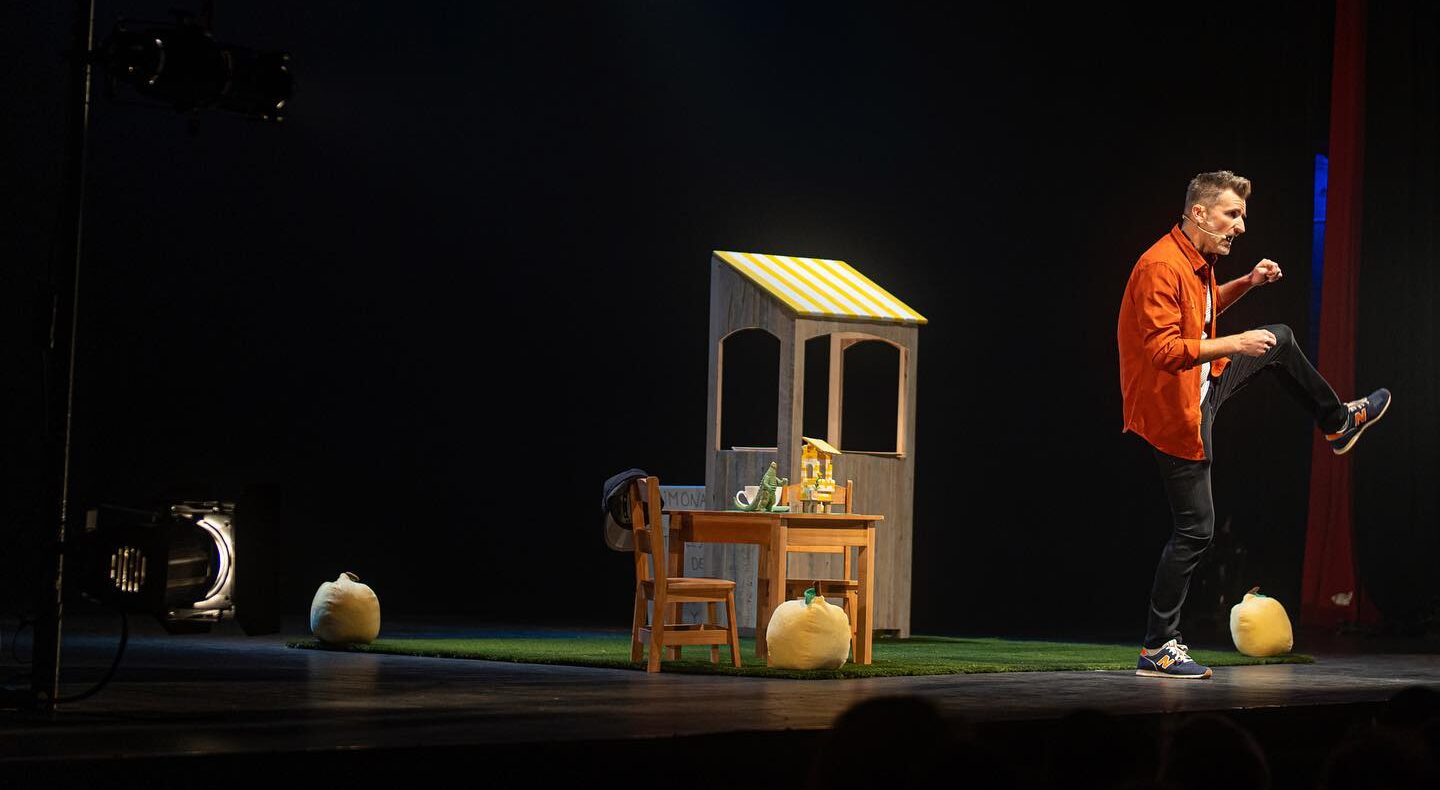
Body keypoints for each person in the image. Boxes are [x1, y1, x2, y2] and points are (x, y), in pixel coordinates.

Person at [1116, 170, 1391, 679]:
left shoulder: (1195, 261)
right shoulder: (1160, 265)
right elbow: (1164, 352)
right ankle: (1157, 646)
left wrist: (1247, 283)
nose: (1241, 226)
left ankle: (1338, 422)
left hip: (1201, 385)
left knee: (1279, 338)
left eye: (1242, 216)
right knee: (1195, 530)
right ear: (1199, 212)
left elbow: (1203, 309)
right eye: (1232, 214)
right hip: (1173, 411)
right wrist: (1237, 343)